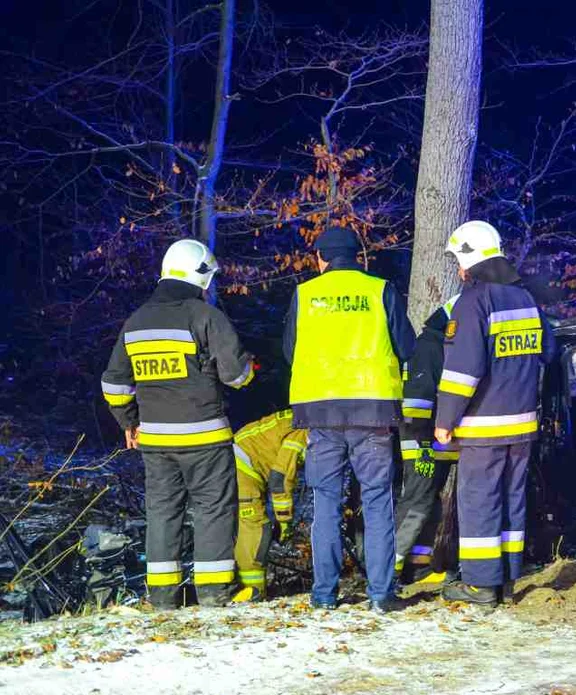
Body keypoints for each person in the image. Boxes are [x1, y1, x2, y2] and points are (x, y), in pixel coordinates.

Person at [101, 238, 254, 609]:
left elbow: (114, 384)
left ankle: (164, 598)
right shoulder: (205, 316)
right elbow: (236, 376)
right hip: (206, 437)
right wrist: (248, 367)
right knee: (213, 510)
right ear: (200, 275)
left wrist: (129, 421)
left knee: (162, 513)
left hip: (155, 441)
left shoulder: (135, 322)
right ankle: (214, 595)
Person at [283, 227, 415, 612]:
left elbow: (290, 351)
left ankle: (324, 595)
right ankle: (381, 594)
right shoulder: (380, 289)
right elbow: (405, 345)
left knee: (325, 501)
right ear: (357, 257)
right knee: (376, 500)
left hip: (320, 413)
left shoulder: (304, 294)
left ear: (322, 258)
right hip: (372, 410)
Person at [435, 221, 556, 607]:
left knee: (480, 501)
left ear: (470, 260)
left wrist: (444, 420)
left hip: (484, 425)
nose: (457, 270)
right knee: (511, 499)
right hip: (523, 424)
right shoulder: (525, 298)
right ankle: (505, 580)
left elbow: (462, 370)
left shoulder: (474, 301)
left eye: (458, 261)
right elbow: (548, 353)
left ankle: (480, 585)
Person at [396, 295, 461, 585]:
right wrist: (422, 444)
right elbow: (417, 400)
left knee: (430, 502)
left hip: (436, 441)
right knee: (417, 501)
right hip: (421, 440)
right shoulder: (429, 346)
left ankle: (417, 566)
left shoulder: (443, 346)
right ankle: (389, 567)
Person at [230, 409, 308, 602]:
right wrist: (285, 523)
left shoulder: (298, 417)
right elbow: (280, 479)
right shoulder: (303, 432)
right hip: (241, 468)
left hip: (238, 461)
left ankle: (246, 588)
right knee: (255, 528)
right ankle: (252, 592)